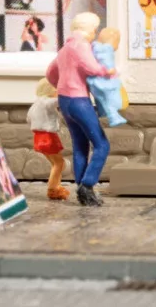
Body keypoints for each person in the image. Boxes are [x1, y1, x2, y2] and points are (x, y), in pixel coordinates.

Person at [45, 11, 116, 207]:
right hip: (79, 100)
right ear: (89, 29)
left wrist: (62, 85)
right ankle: (88, 184)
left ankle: (82, 189)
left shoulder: (64, 49)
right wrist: (107, 71)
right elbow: (91, 67)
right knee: (101, 144)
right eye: (95, 29)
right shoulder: (81, 46)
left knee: (80, 145)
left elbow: (50, 73)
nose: (95, 33)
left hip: (65, 100)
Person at [28, 78, 69, 201]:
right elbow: (57, 101)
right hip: (47, 136)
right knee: (59, 163)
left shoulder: (35, 104)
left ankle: (56, 186)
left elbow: (28, 119)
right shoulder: (46, 102)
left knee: (55, 163)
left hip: (38, 136)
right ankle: (53, 189)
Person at [87, 27, 128, 127]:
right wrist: (112, 70)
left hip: (96, 81)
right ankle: (113, 118)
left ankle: (106, 116)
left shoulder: (94, 49)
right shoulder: (106, 49)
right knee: (111, 102)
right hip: (105, 82)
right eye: (117, 41)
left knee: (103, 101)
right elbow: (107, 65)